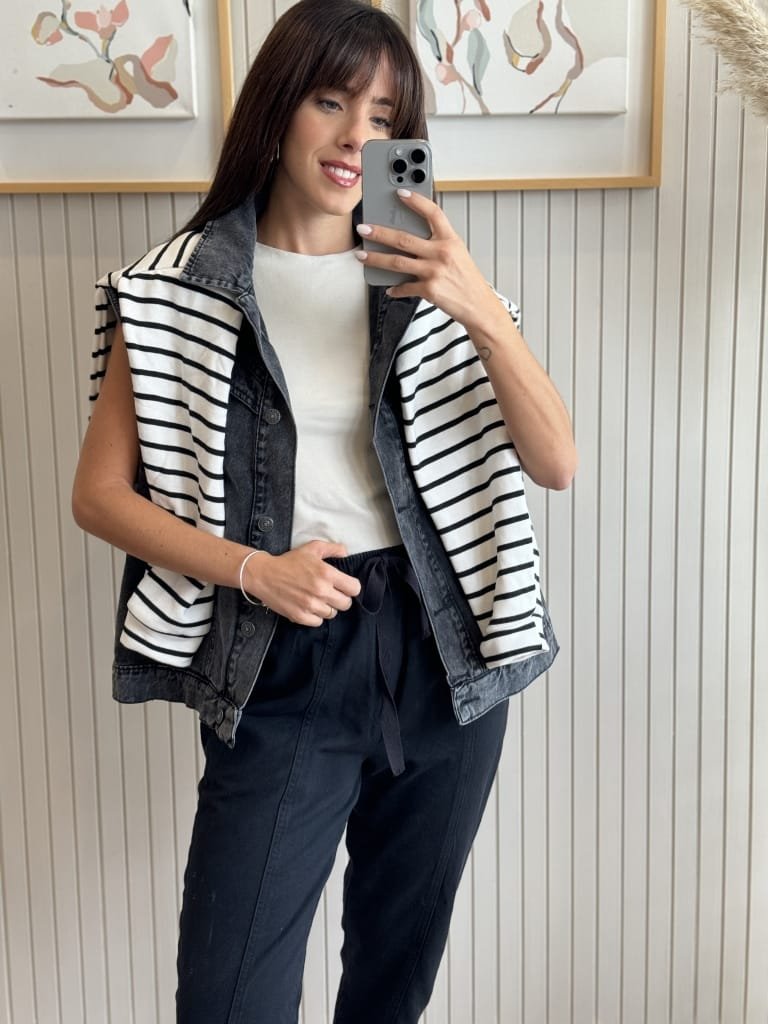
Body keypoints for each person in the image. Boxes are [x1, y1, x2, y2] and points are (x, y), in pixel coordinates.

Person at [72, 1, 577, 1021]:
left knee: (393, 979)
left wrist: (479, 306)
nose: (357, 138)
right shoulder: (176, 290)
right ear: (278, 107)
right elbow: (99, 494)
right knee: (230, 996)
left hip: (444, 650)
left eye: (384, 116)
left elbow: (555, 462)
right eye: (332, 101)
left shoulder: (431, 282)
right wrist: (253, 568)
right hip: (283, 645)